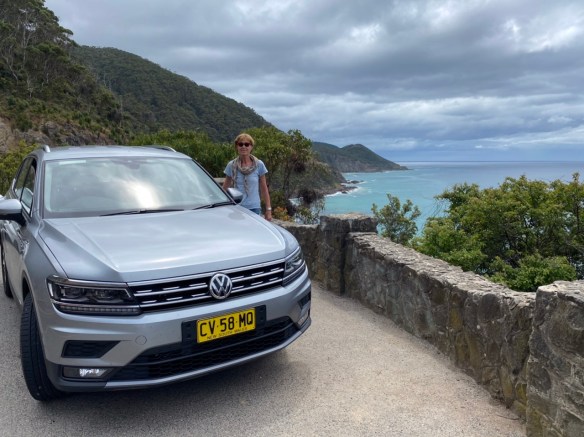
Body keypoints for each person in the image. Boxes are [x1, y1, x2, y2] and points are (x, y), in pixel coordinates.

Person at [223, 133, 272, 221]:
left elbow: (264, 188)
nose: (243, 147)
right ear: (236, 146)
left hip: (254, 208)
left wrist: (268, 209)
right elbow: (225, 188)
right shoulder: (231, 165)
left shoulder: (259, 164)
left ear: (251, 147)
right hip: (237, 208)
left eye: (247, 144)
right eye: (240, 144)